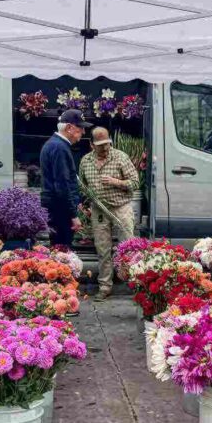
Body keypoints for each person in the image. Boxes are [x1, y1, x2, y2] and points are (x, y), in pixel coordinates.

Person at [79, 127, 139, 299]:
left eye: (107, 144)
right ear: (91, 145)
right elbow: (82, 186)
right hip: (99, 209)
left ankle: (133, 284)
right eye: (100, 145)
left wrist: (116, 182)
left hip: (121, 207)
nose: (105, 148)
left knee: (127, 247)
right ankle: (105, 286)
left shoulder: (120, 157)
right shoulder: (85, 161)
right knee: (102, 248)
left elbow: (135, 182)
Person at [39, 109, 92, 247]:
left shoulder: (55, 144)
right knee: (62, 250)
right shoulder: (60, 148)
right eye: (81, 128)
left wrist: (76, 201)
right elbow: (62, 185)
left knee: (58, 249)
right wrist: (73, 215)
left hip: (56, 206)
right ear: (69, 127)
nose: (84, 132)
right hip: (60, 209)